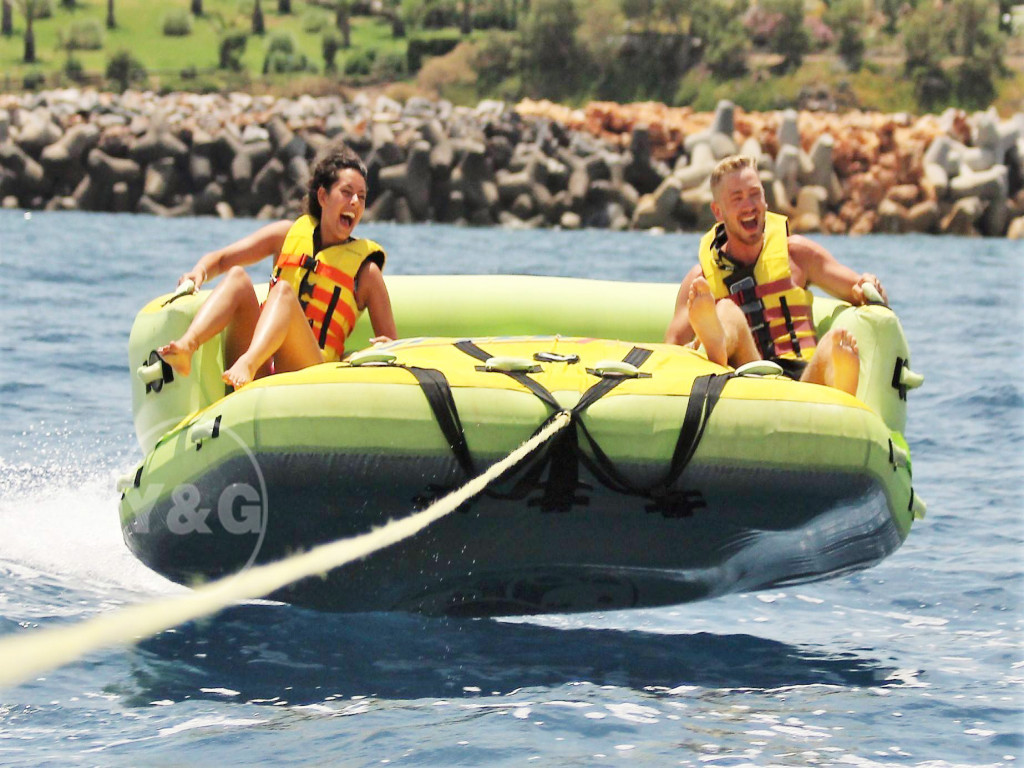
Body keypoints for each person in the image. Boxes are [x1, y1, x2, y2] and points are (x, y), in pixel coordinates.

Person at [158, 141, 397, 389]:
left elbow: (393, 346)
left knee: (283, 291)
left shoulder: (366, 272)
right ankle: (187, 346)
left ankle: (247, 363)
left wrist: (384, 347)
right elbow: (221, 260)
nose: (355, 202)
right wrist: (198, 272)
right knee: (237, 277)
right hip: (265, 365)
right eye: (347, 192)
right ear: (323, 196)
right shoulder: (286, 235)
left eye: (362, 197)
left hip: (312, 375)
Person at [664, 155, 887, 396]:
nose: (749, 205)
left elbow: (856, 287)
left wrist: (867, 284)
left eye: (755, 194)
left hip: (804, 382)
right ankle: (717, 343)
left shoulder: (797, 254)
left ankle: (843, 398)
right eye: (737, 198)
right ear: (718, 211)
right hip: (745, 383)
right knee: (727, 311)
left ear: (765, 200)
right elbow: (670, 349)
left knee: (833, 344)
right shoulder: (701, 282)